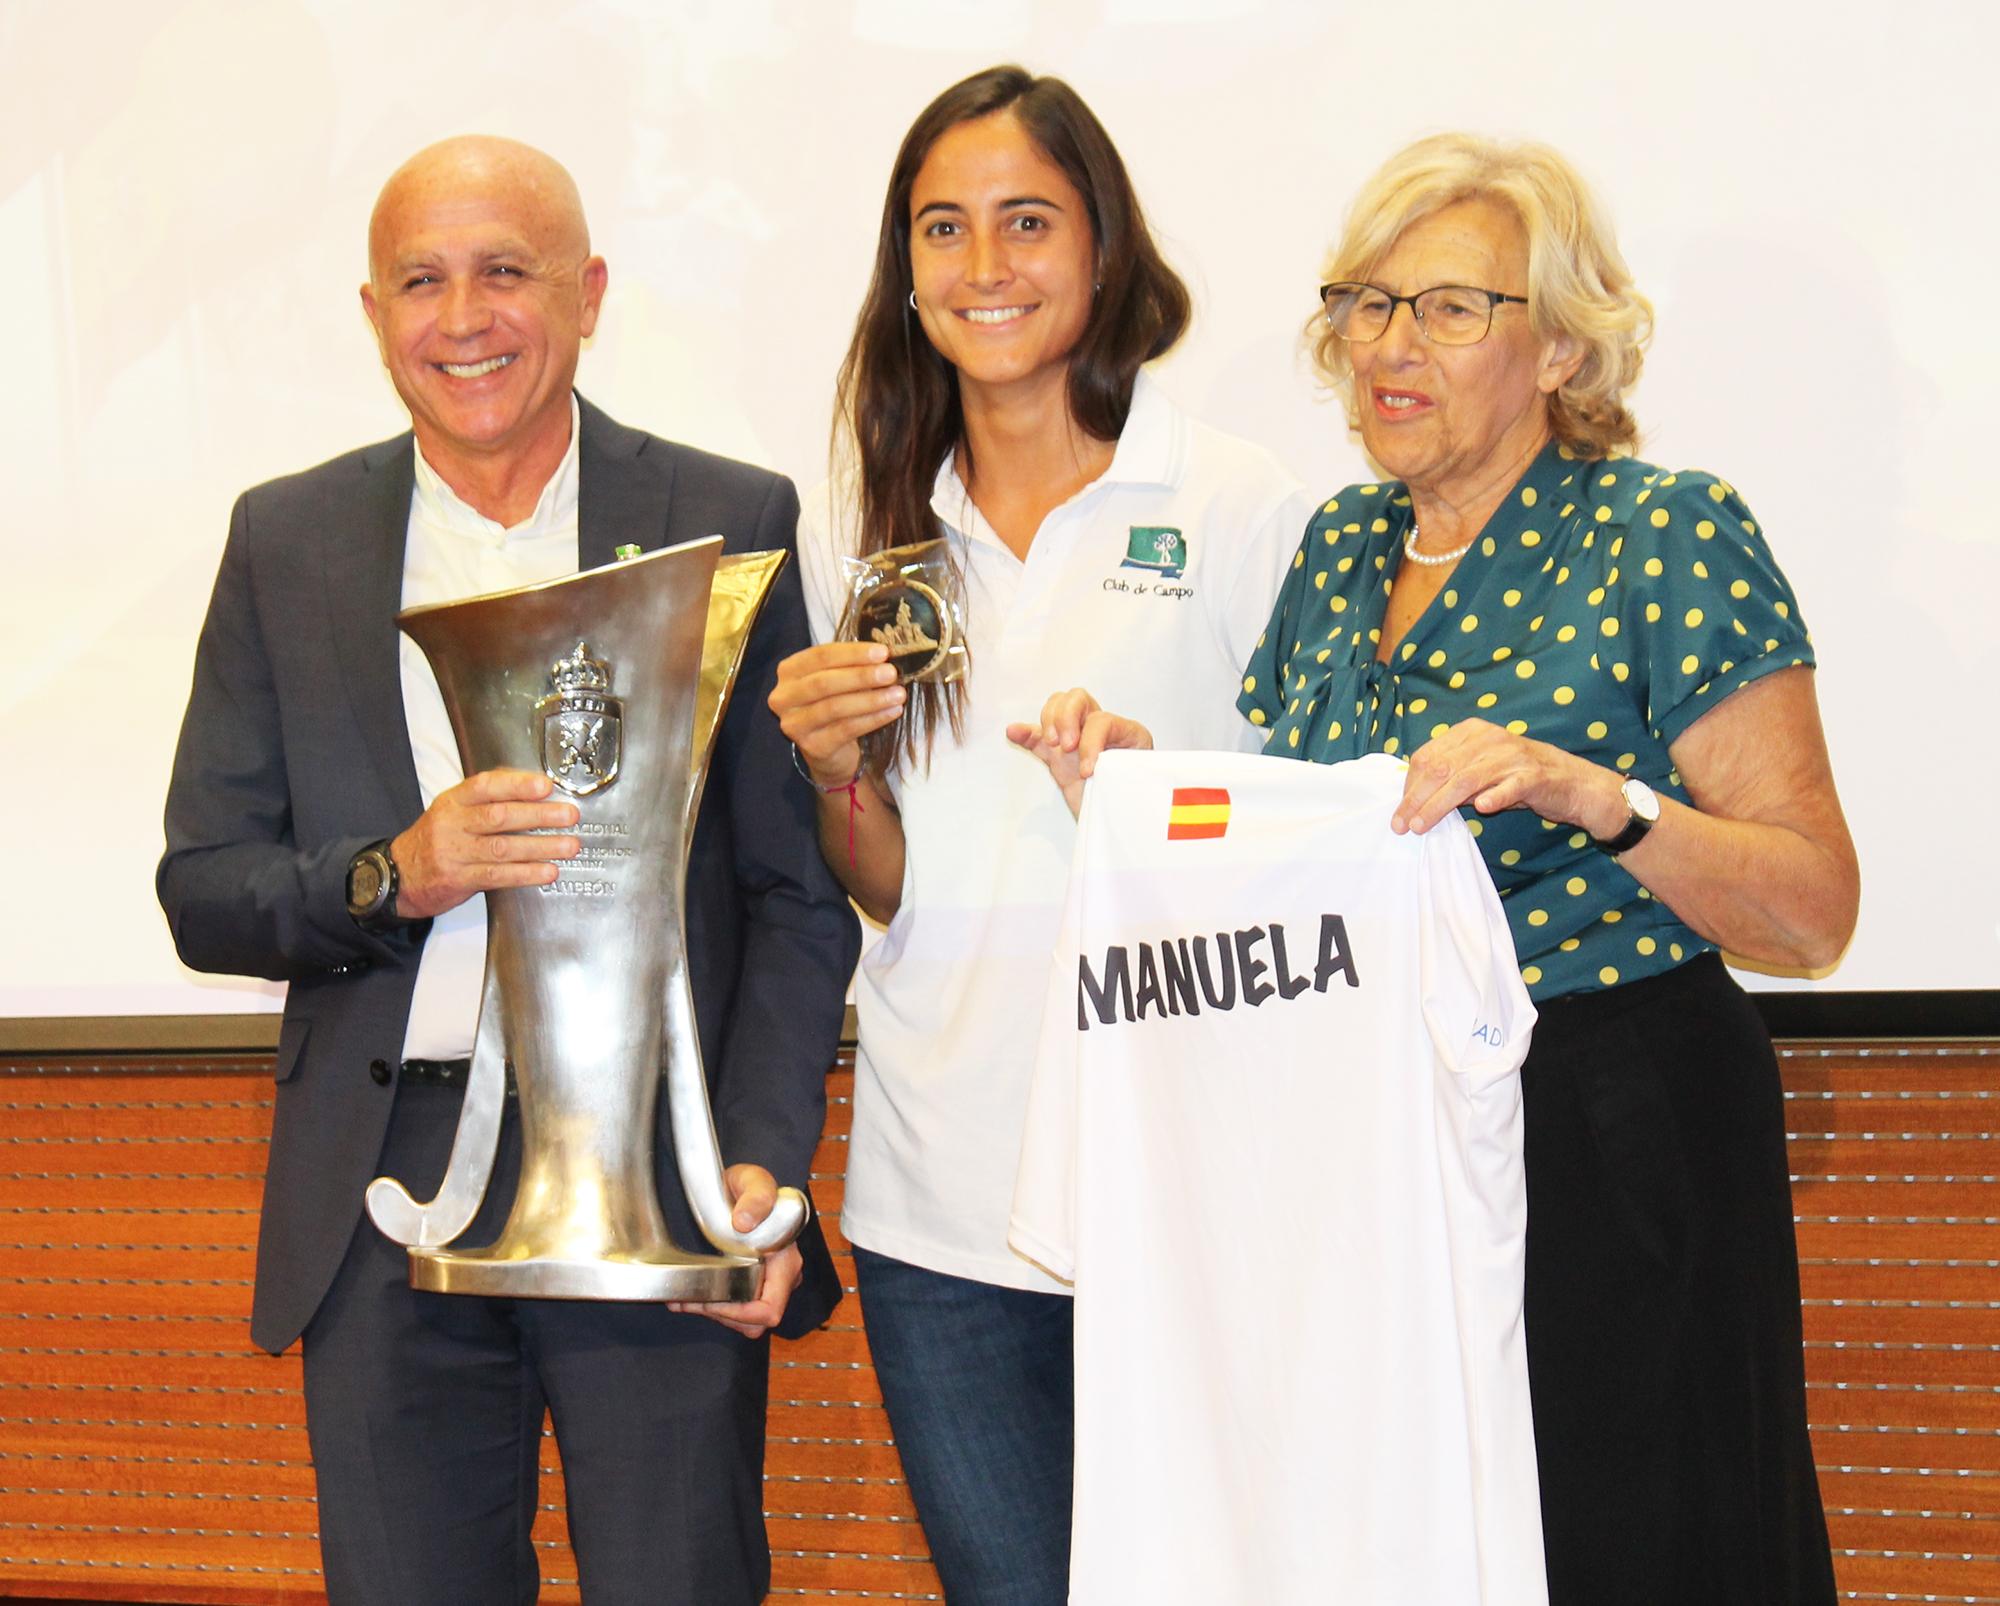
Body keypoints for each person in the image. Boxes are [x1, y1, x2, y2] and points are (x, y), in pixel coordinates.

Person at [1022, 133, 1858, 1605]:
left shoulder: (1662, 532)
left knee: (1634, 1538)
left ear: (1560, 351)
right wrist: (1145, 780)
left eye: (1453, 309)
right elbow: (1312, 839)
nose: (1391, 347)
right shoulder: (1339, 547)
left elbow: (1809, 904)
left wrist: (1600, 796)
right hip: (1368, 1131)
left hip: (1609, 1119)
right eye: (1366, 304)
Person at [156, 135, 858, 1606]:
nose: (461, 316)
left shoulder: (731, 516)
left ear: (588, 292)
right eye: (420, 280)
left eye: (503, 272)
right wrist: (394, 873)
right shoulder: (286, 541)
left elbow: (795, 895)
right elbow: (205, 883)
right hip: (384, 1199)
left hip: (654, 1188)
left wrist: (763, 1162)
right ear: (371, 312)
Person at [767, 66, 1311, 1603]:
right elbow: (886, 884)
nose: (984, 268)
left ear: (1104, 248)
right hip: (940, 1194)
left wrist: (1149, 790)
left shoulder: (1230, 498)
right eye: (944, 229)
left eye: (1027, 223)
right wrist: (835, 775)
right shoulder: (872, 525)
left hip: (1181, 1172)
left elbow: (1316, 833)